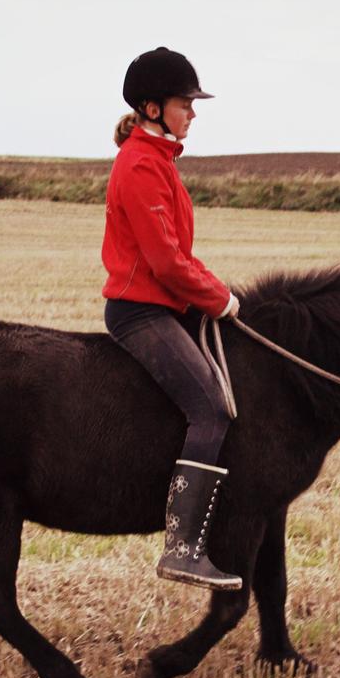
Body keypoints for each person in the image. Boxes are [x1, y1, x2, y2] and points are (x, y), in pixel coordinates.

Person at [101, 47, 242, 591]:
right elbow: (165, 262)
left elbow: (180, 254)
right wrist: (219, 300)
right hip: (141, 312)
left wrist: (217, 291)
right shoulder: (140, 166)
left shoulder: (159, 160)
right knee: (211, 408)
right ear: (153, 108)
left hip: (165, 305)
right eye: (186, 102)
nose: (194, 112)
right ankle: (182, 549)